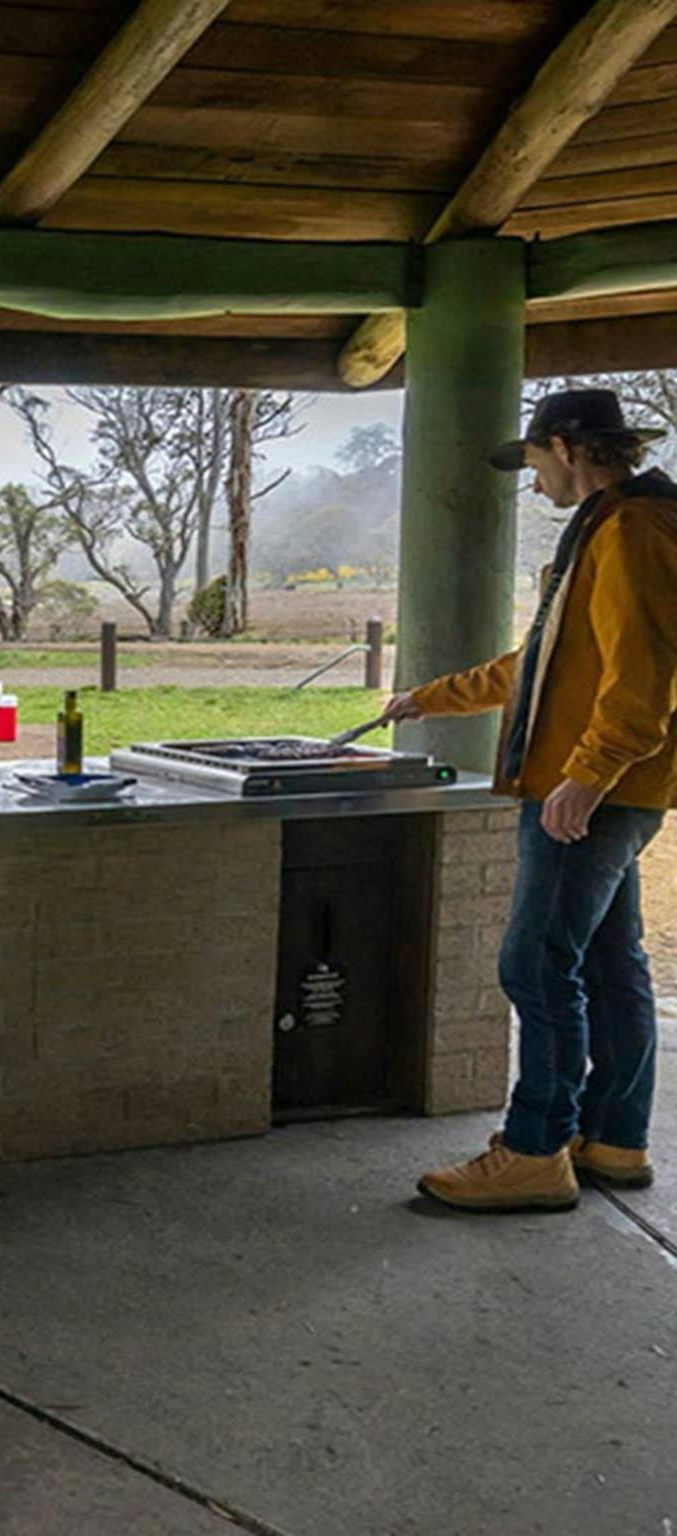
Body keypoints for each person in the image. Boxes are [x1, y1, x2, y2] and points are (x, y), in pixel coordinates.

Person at [393, 388, 677, 1212]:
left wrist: (585, 776)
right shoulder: (607, 529)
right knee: (608, 960)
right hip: (603, 787)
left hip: (590, 790)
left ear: (565, 447)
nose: (533, 479)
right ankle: (614, 1139)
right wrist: (427, 697)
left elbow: (646, 678)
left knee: (535, 964)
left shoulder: (632, 533)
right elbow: (543, 663)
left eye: (533, 462)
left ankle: (533, 1150)